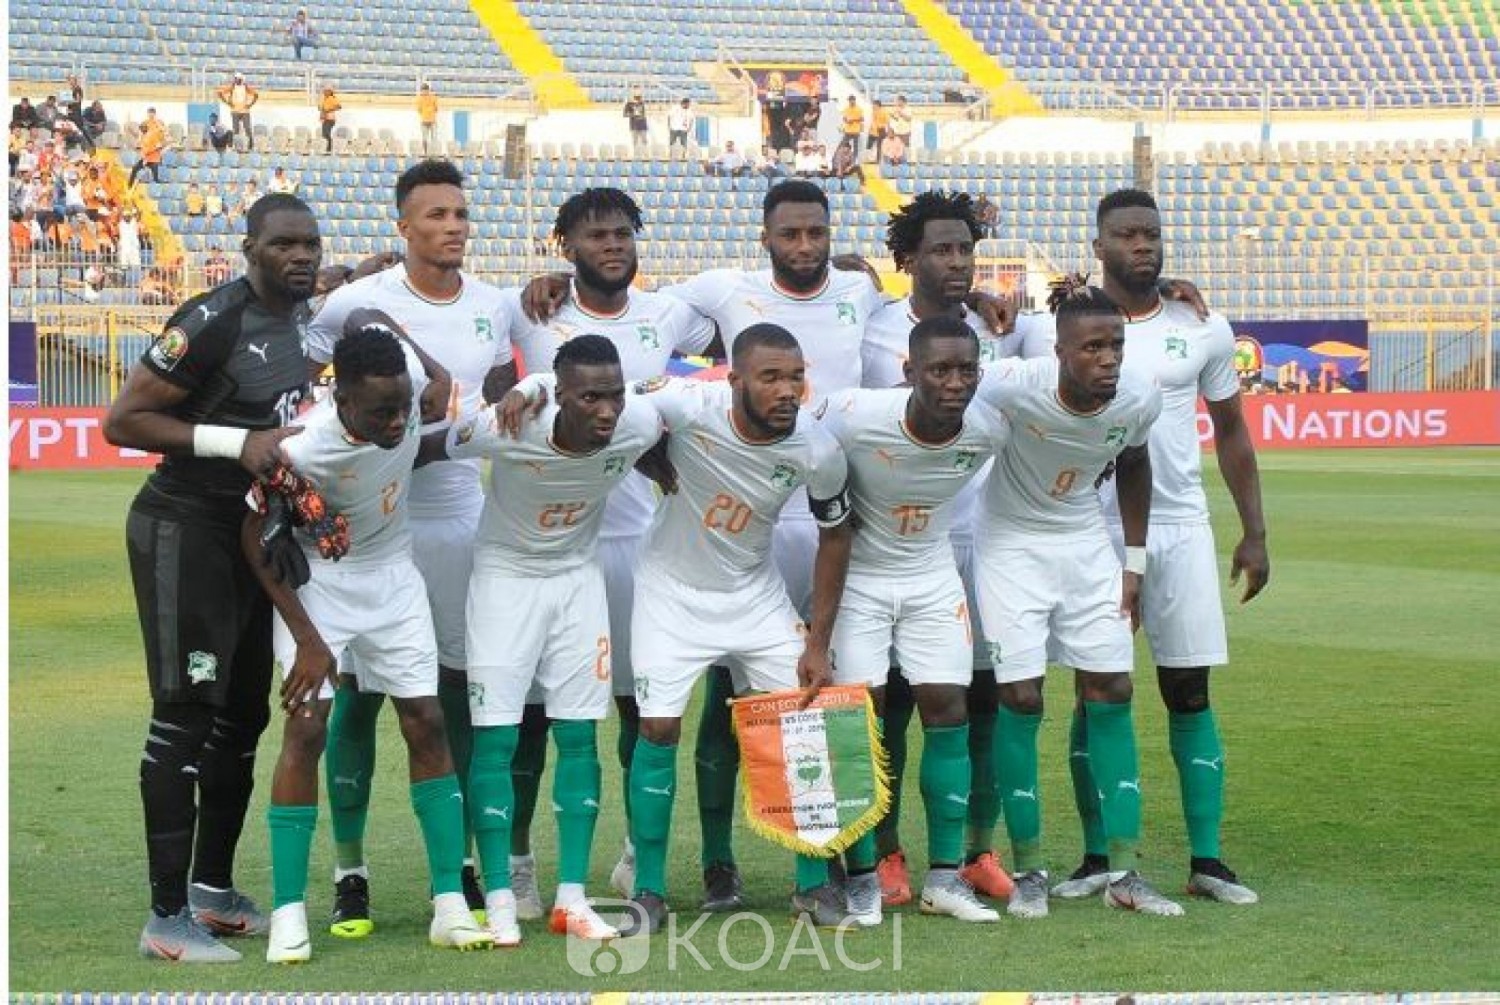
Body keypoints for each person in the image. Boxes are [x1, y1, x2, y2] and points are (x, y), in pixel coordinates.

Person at [503, 323, 854, 935]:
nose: (786, 391)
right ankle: (649, 890)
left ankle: (812, 881)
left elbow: (836, 535)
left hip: (755, 593)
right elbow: (607, 398)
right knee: (658, 727)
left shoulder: (817, 450)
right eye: (770, 378)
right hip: (670, 594)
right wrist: (537, 387)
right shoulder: (688, 403)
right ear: (734, 380)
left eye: (795, 377)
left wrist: (818, 643)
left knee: (799, 718)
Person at [102, 193, 322, 963]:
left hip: (251, 535)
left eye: (311, 244)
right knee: (185, 716)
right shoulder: (211, 321)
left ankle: (211, 893)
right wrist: (238, 442)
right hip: (184, 530)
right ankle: (165, 920)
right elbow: (122, 420)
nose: (301, 255)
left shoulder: (303, 312)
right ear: (250, 248)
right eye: (283, 244)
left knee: (243, 715)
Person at [305, 159, 520, 939]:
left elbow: (502, 393)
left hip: (460, 523)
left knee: (453, 696)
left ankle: (456, 861)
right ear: (403, 226)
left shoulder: (495, 304)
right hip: (369, 531)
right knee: (358, 698)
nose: (452, 226)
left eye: (460, 213)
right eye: (435, 215)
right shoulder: (358, 301)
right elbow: (303, 375)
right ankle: (350, 870)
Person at [1039, 188, 1269, 907]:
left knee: (1189, 689)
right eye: (1127, 235)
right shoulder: (1072, 323)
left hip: (1182, 525)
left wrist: (1255, 530)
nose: (1143, 245)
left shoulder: (1200, 325)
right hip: (1093, 528)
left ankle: (1208, 860)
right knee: (1095, 691)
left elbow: (1231, 431)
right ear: (1099, 245)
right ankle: (1096, 856)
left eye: (1151, 233)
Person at [248, 318, 494, 961]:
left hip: (393, 577)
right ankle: (289, 913)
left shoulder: (404, 393)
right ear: (342, 398)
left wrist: (420, 356)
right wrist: (308, 641)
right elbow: (252, 537)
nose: (398, 422)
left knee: (427, 722)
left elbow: (406, 354)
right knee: (306, 729)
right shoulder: (303, 449)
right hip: (321, 586)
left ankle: (449, 905)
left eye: (402, 408)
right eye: (382, 412)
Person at [504, 188, 715, 919]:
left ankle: (633, 855)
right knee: (534, 717)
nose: (613, 246)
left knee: (638, 706)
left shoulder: (667, 314)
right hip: (546, 546)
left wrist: (858, 274)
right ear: (566, 246)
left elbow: (752, 318)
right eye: (596, 236)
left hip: (632, 541)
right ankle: (519, 863)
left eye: (624, 233)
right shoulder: (530, 311)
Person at [429, 334, 664, 946]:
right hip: (505, 582)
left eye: (614, 396)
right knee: (497, 739)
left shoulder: (638, 421)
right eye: (590, 398)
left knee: (580, 735)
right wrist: (526, 387)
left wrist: (536, 381)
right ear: (560, 396)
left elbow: (689, 401)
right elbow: (433, 445)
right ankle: (501, 899)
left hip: (577, 580)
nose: (607, 411)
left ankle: (572, 900)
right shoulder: (508, 426)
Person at [974, 276, 1179, 920]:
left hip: (1086, 543)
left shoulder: (1138, 397)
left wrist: (1134, 563)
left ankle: (1124, 871)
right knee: (1020, 696)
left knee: (1112, 690)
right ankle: (1029, 870)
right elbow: (944, 400)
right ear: (1060, 352)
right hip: (1009, 546)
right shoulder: (1012, 385)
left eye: (1115, 345)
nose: (1108, 358)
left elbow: (1136, 465)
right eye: (1093, 348)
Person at [860, 190, 1030, 908]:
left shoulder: (1004, 328)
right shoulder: (873, 330)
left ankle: (974, 849)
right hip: (900, 542)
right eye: (942, 250)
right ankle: (887, 850)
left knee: (982, 700)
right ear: (908, 259)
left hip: (986, 538)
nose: (958, 262)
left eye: (966, 250)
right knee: (895, 704)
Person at [822, 314, 1012, 928]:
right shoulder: (855, 413)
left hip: (932, 577)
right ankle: (861, 882)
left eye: (967, 370)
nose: (955, 382)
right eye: (940, 369)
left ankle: (944, 880)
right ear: (909, 371)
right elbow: (790, 432)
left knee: (948, 711)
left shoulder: (989, 426)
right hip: (861, 580)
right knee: (859, 723)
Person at [217, 72, 260, 152]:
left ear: (242, 79)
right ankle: (236, 146)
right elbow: (220, 93)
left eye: (239, 79)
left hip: (245, 111)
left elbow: (256, 95)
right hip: (235, 111)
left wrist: (250, 105)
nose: (237, 80)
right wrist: (228, 103)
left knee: (247, 129)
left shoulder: (246, 87)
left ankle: (251, 146)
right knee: (235, 130)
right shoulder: (232, 87)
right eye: (236, 78)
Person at [128, 108, 167, 188]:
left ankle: (160, 186)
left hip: (153, 159)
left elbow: (159, 146)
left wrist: (149, 152)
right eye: (149, 113)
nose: (142, 130)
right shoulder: (143, 136)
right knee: (134, 169)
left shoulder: (154, 133)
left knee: (156, 179)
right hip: (146, 158)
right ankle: (129, 185)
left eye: (143, 128)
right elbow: (141, 145)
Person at [416, 83, 438, 155]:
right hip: (424, 122)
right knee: (424, 138)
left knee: (434, 139)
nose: (424, 92)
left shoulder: (433, 97)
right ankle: (425, 153)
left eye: (425, 90)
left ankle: (434, 153)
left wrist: (430, 113)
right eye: (422, 90)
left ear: (428, 90)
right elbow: (419, 110)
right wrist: (425, 114)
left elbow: (436, 108)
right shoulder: (419, 99)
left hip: (432, 121)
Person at [318, 86, 341, 154]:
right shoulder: (324, 99)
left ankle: (329, 149)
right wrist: (321, 109)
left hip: (330, 119)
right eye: (324, 91)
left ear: (330, 92)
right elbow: (322, 108)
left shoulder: (332, 98)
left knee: (327, 134)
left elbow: (339, 106)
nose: (324, 92)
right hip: (325, 119)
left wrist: (329, 110)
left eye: (326, 91)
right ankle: (326, 149)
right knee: (324, 134)